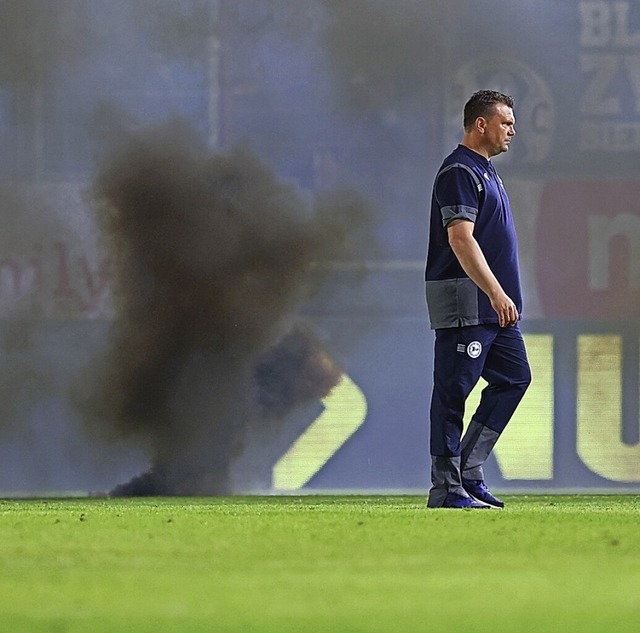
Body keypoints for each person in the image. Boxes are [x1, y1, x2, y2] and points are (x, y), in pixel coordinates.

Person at [424, 90, 532, 509]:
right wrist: (495, 290)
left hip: (492, 308)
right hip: (466, 303)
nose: (513, 130)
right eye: (506, 122)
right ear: (481, 125)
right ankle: (445, 487)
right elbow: (459, 239)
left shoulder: (484, 170)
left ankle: (468, 469)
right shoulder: (459, 170)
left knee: (514, 378)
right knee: (453, 391)